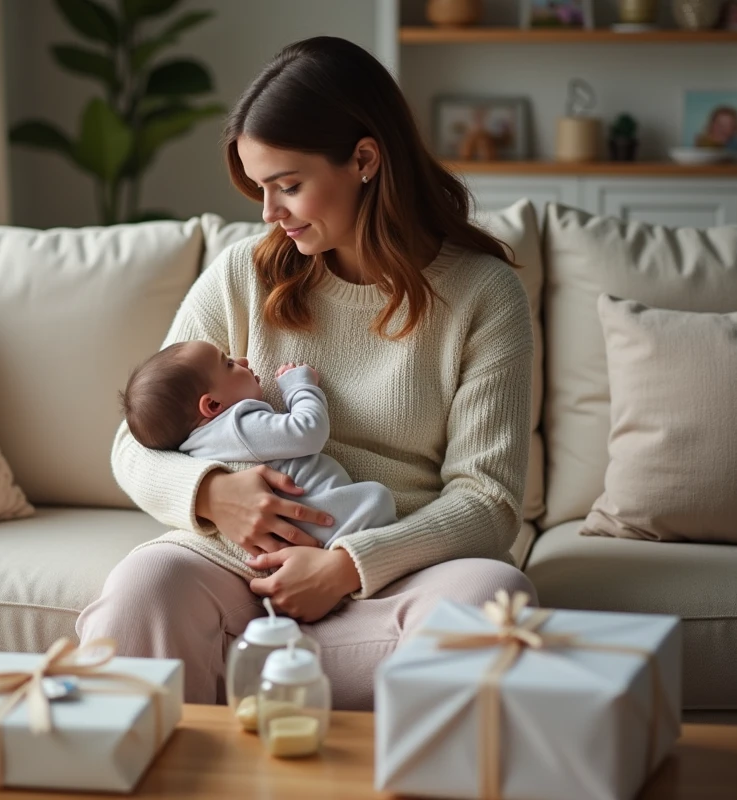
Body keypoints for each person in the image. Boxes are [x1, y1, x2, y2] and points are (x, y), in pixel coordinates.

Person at [76, 36, 537, 710]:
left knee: (495, 600)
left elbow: (488, 499)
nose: (269, 213)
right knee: (144, 588)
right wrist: (213, 495)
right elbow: (133, 443)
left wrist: (347, 566)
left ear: (365, 160)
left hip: (399, 574)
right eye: (260, 188)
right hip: (244, 570)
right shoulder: (243, 272)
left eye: (288, 186)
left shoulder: (484, 295)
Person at [119, 340, 397, 548]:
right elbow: (308, 431)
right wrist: (300, 387)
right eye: (228, 364)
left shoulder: (194, 447)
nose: (242, 359)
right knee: (377, 499)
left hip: (285, 533)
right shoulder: (238, 425)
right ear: (213, 405)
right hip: (320, 519)